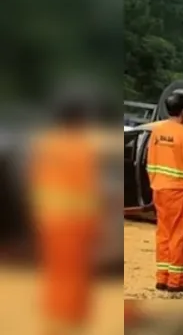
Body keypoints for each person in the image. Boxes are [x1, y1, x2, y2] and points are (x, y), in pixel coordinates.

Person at [28, 89, 104, 334]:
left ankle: (53, 316)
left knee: (54, 270)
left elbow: (35, 181)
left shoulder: (44, 143)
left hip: (48, 218)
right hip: (76, 220)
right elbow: (89, 188)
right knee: (76, 273)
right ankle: (68, 320)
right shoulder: (83, 148)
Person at [146, 92, 183, 293]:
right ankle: (177, 280)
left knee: (164, 234)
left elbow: (150, 163)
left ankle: (162, 277)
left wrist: (155, 184)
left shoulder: (156, 132)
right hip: (178, 192)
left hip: (159, 190)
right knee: (180, 236)